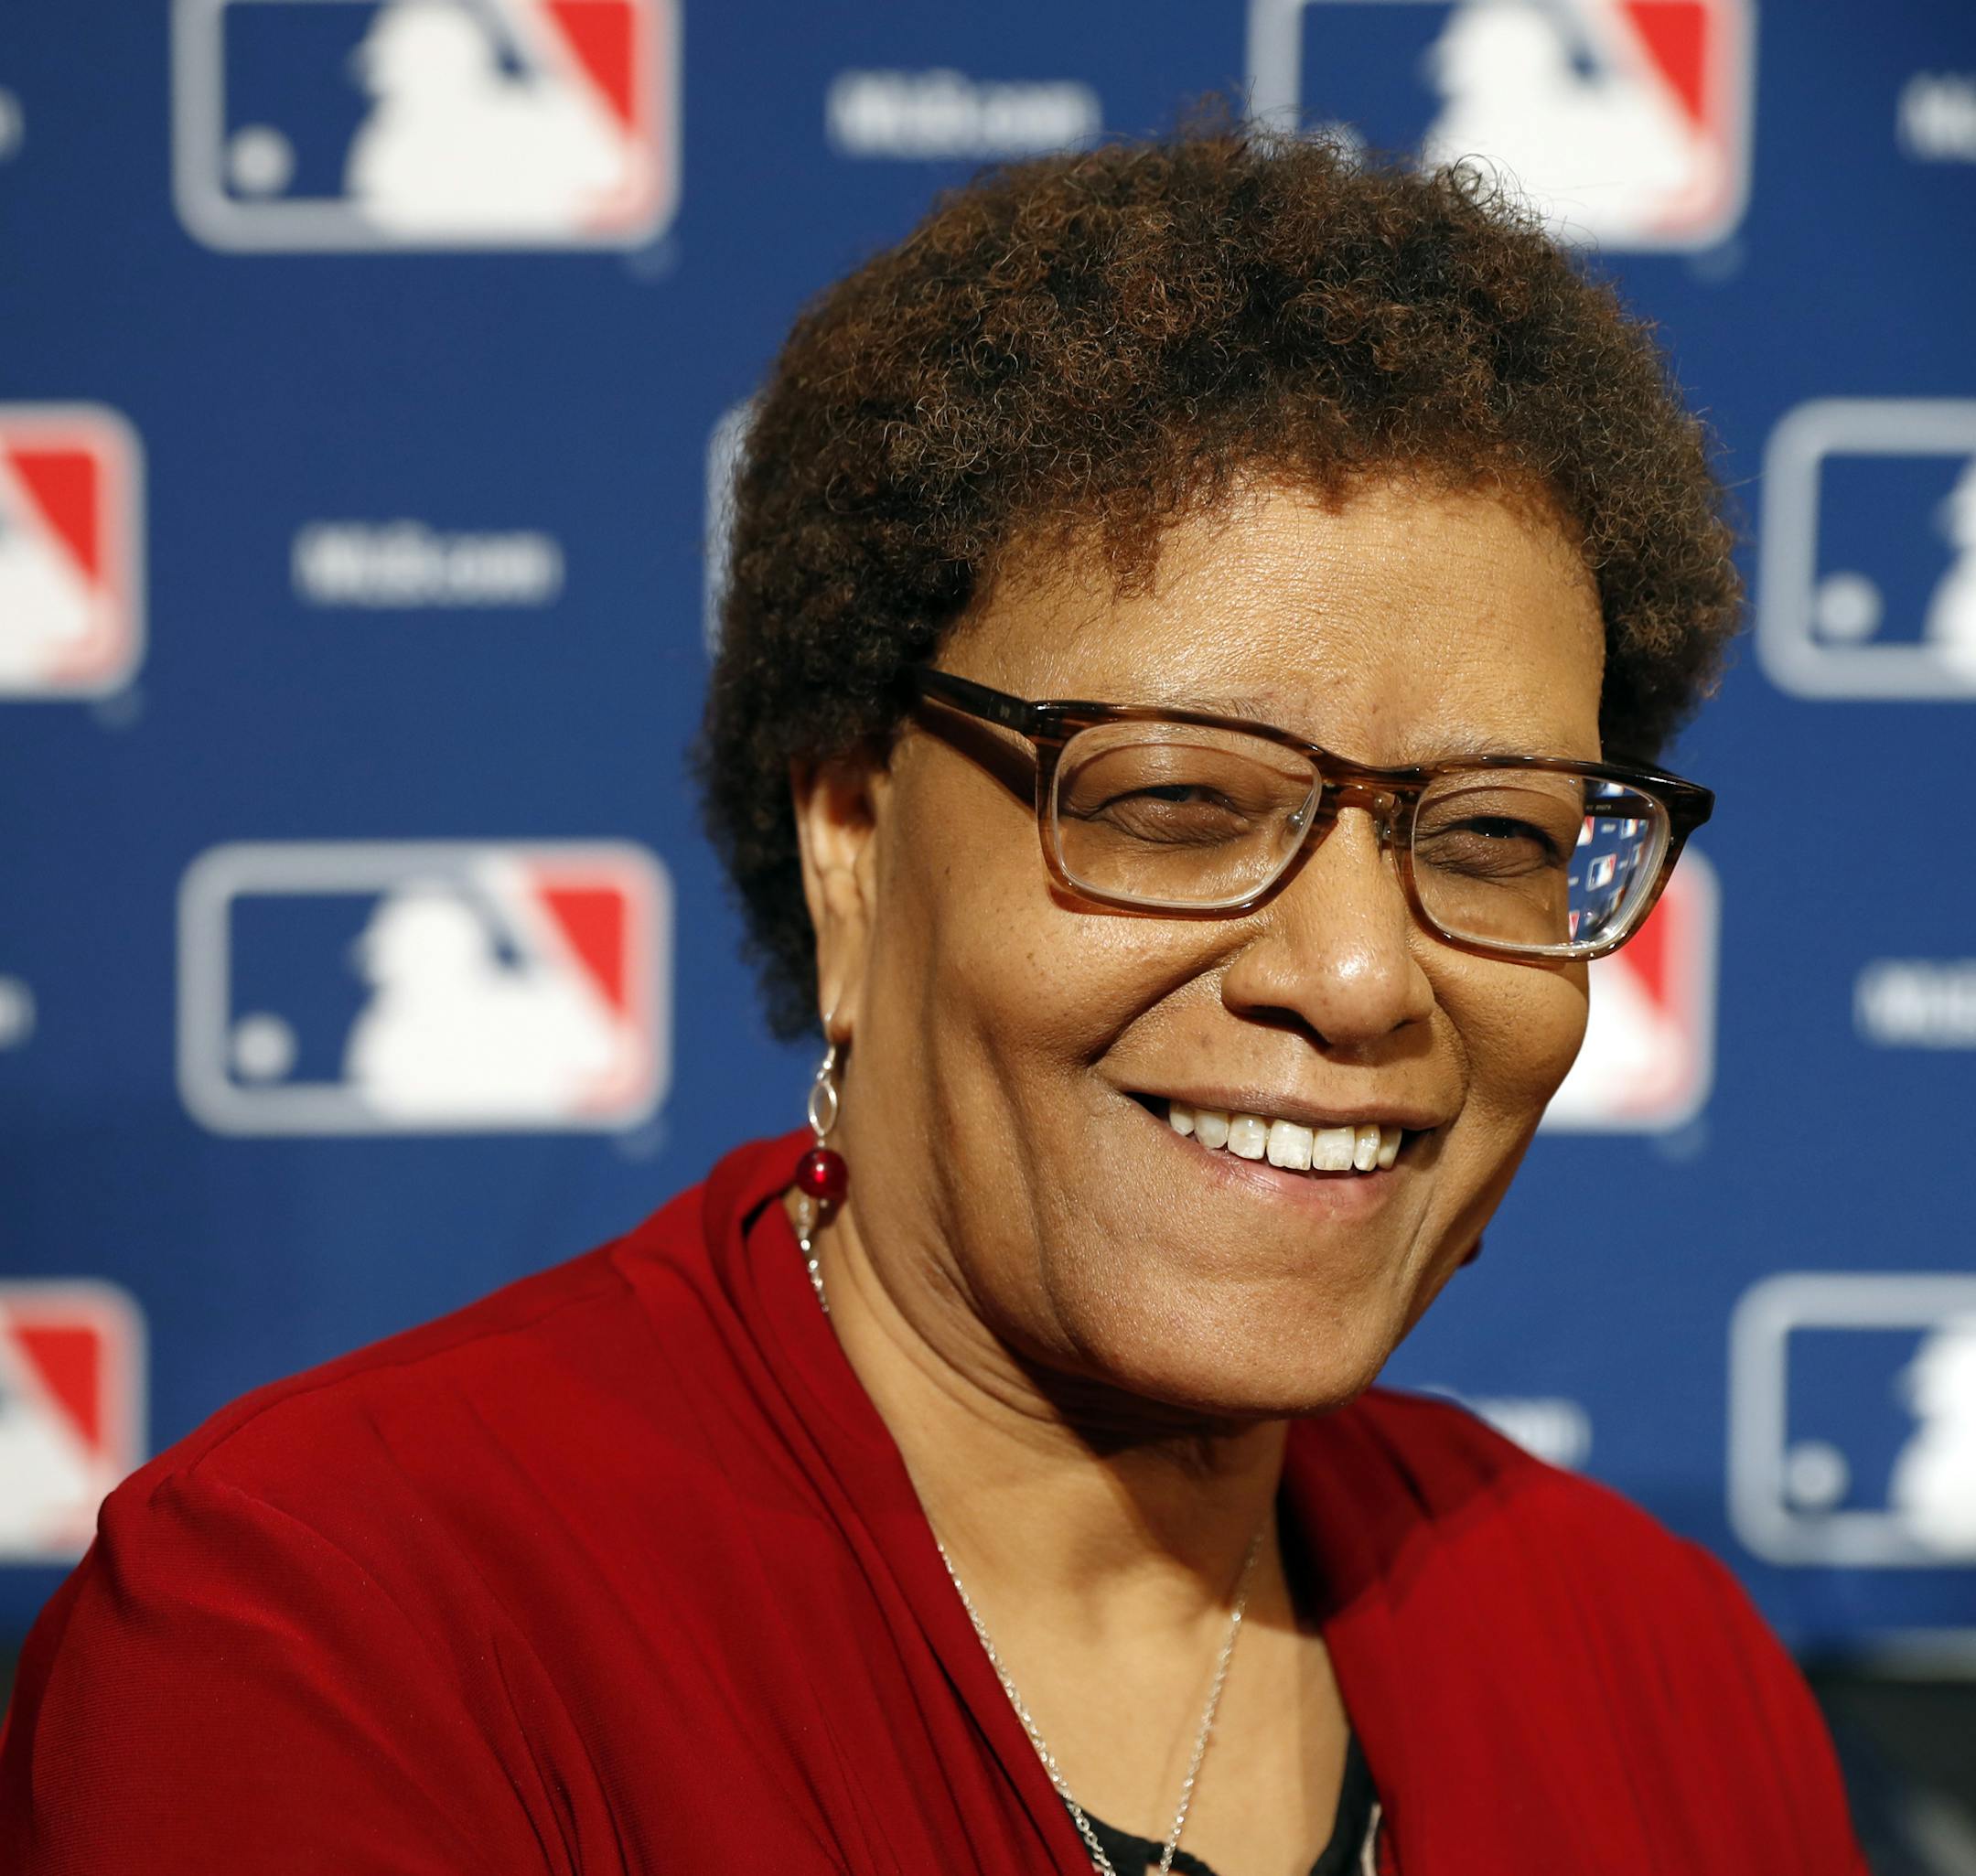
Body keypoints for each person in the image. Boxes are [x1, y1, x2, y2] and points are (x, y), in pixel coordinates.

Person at [0, 130, 1866, 1874]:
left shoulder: (1653, 1667)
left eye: (1488, 838)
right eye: (1175, 804)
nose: (1360, 975)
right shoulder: (332, 1629)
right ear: (853, 840)